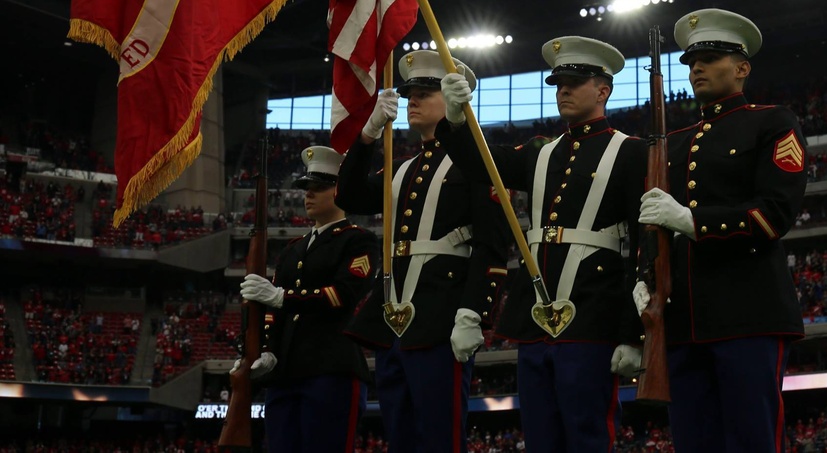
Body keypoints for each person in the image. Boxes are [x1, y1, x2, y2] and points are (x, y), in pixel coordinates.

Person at [438, 36, 646, 453]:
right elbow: (481, 162)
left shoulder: (631, 152)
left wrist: (633, 331)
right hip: (535, 317)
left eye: (574, 82)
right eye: (558, 83)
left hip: (593, 314)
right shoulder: (541, 153)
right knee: (540, 436)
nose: (563, 90)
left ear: (603, 90)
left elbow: (642, 247)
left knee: (587, 433)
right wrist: (456, 118)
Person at [633, 9, 807, 452]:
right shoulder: (673, 141)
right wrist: (643, 278)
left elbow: (774, 214)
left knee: (753, 438)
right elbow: (652, 226)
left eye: (710, 58)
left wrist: (692, 221)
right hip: (683, 320)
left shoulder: (772, 122)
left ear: (742, 67)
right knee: (693, 441)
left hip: (747, 313)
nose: (696, 68)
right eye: (692, 61)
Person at [336, 50, 510, 453]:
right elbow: (348, 195)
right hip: (395, 316)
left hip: (440, 316)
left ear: (451, 99)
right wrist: (367, 135)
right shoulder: (402, 167)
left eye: (425, 92)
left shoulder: (475, 161)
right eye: (410, 92)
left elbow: (491, 243)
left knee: (439, 436)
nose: (412, 99)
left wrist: (474, 312)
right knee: (401, 434)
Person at [235, 145, 378, 453]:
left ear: (340, 191)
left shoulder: (358, 241)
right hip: (285, 372)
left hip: (332, 369)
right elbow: (273, 312)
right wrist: (266, 349)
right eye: (306, 188)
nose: (308, 194)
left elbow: (341, 296)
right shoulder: (293, 249)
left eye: (319, 187)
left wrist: (281, 297)